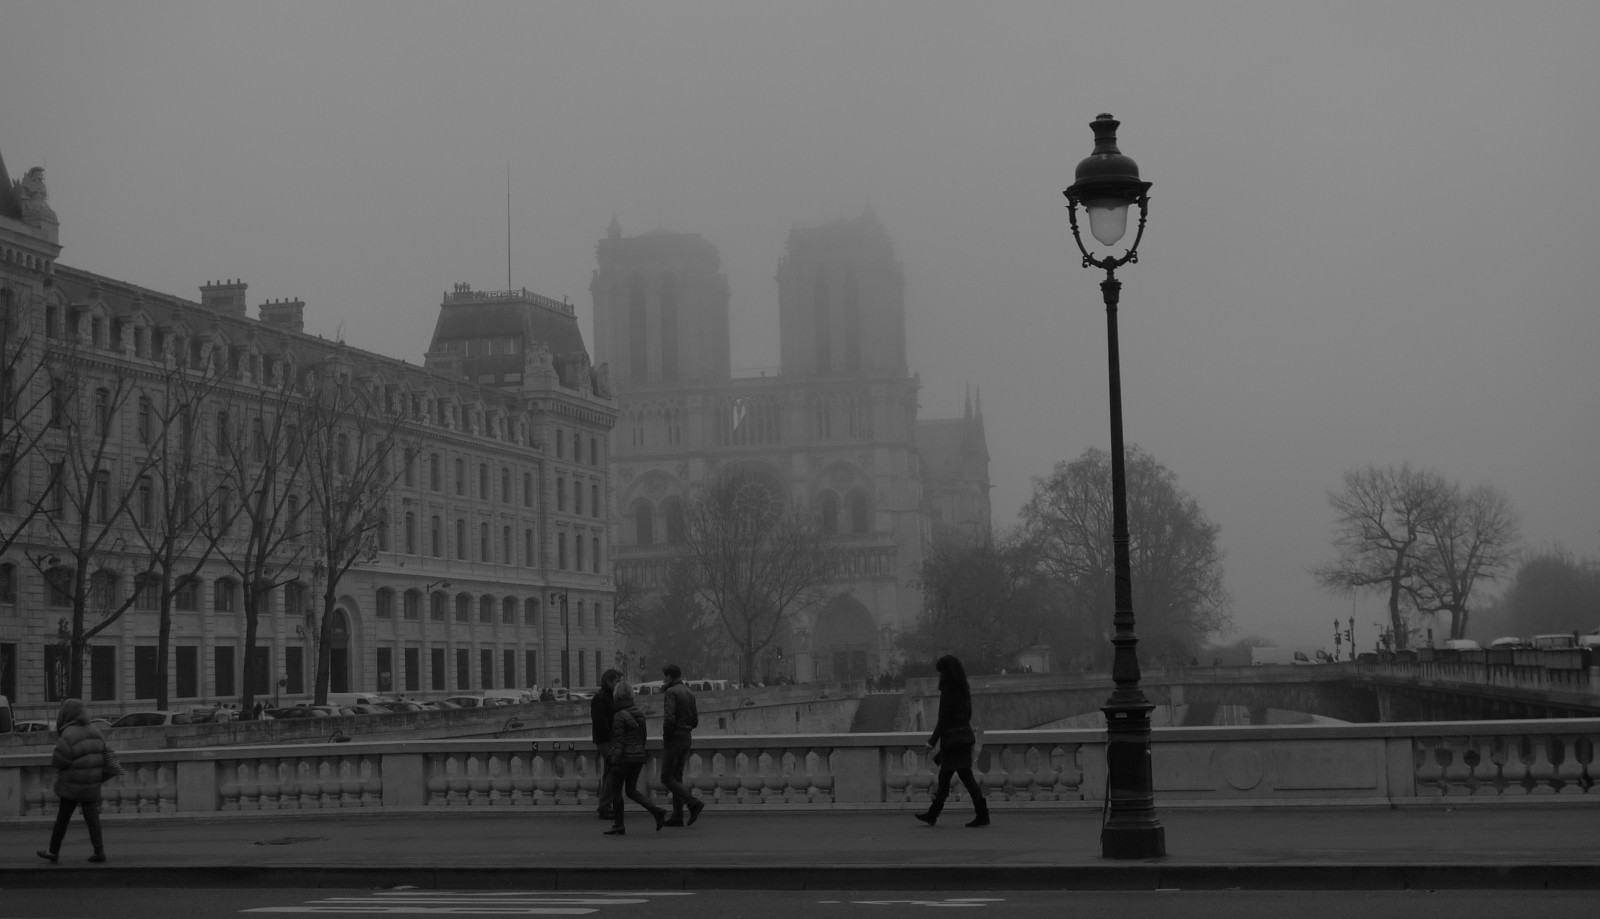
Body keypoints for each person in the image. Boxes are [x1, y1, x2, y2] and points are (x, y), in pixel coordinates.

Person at [915, 654, 989, 828]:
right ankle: (980, 813)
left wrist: (931, 742)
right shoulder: (964, 688)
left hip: (952, 741)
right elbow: (968, 714)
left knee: (952, 777)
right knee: (958, 776)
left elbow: (943, 719)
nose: (939, 676)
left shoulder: (948, 689)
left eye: (940, 672)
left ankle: (935, 814)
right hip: (963, 738)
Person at [38, 698, 112, 863]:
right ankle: (99, 851)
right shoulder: (95, 730)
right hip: (91, 783)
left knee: (62, 819)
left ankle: (53, 851)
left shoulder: (68, 733)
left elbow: (60, 761)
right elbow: (105, 756)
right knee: (92, 818)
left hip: (72, 784)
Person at [603, 682, 667, 835]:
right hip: (638, 757)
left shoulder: (619, 715)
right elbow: (643, 737)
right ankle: (656, 810)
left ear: (617, 696)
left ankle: (619, 825)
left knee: (616, 791)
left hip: (624, 758)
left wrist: (614, 760)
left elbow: (619, 741)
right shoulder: (639, 713)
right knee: (631, 791)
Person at [659, 663, 705, 827]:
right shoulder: (689, 692)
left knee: (666, 777)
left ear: (669, 677)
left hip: (675, 738)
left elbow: (669, 718)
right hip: (686, 736)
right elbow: (695, 720)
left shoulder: (671, 692)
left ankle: (693, 803)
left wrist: (667, 736)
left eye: (665, 677)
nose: (664, 680)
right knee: (676, 777)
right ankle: (677, 816)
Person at [590, 669, 624, 822]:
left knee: (609, 773)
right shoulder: (601, 697)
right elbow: (601, 722)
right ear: (609, 681)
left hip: (608, 739)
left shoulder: (607, 696)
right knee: (612, 773)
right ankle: (604, 806)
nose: (619, 684)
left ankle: (605, 806)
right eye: (617, 681)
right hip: (606, 741)